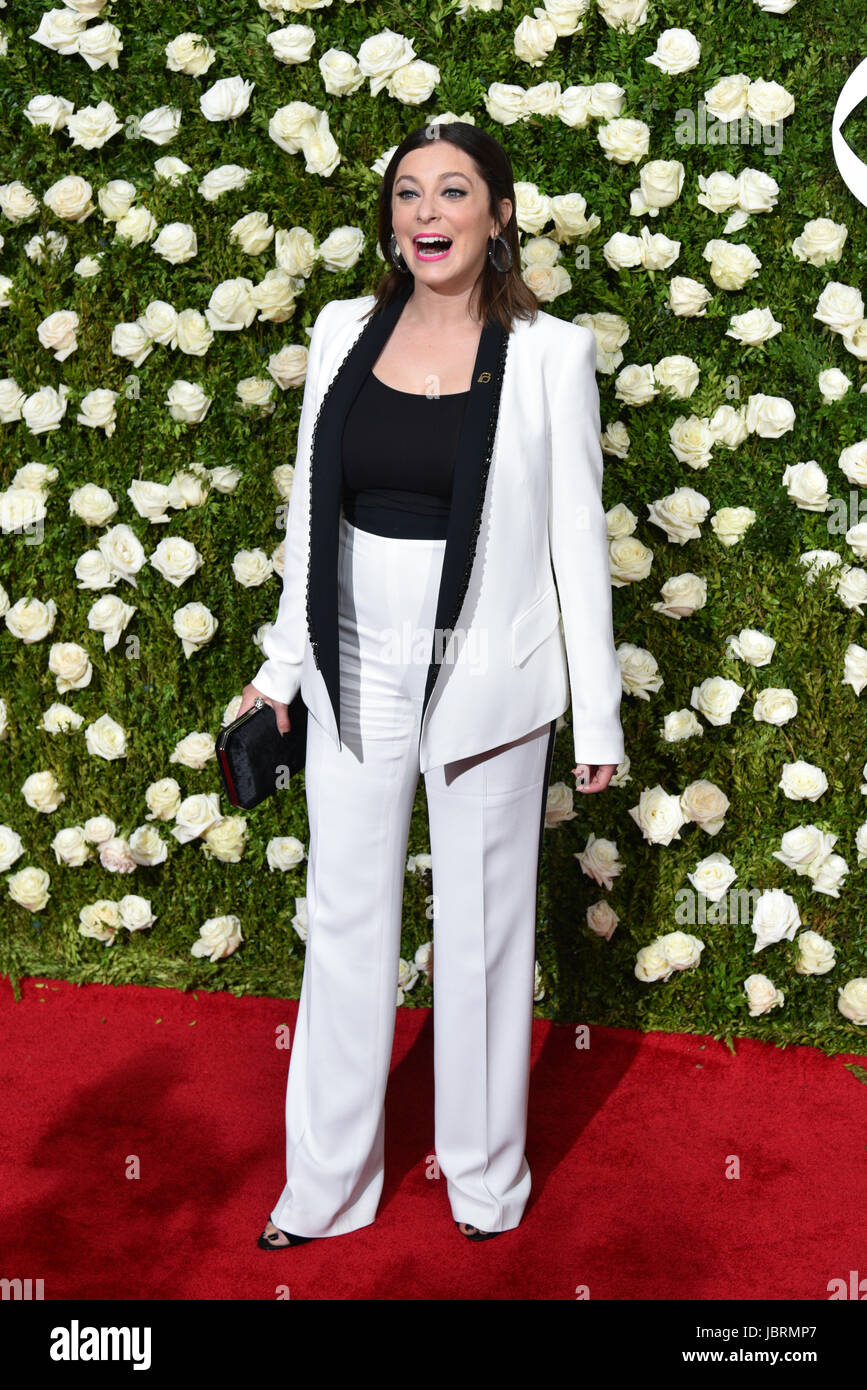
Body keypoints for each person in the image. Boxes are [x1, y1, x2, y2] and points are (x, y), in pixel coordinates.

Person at [236, 120, 625, 1245]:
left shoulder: (550, 354)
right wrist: (278, 672)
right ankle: (323, 1189)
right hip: (354, 658)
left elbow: (575, 548)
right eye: (410, 193)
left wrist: (595, 709)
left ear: (499, 215)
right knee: (346, 918)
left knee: (488, 931)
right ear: (392, 217)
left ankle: (486, 1182)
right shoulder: (344, 327)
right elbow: (312, 515)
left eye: (454, 191)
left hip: (491, 677)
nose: (428, 212)